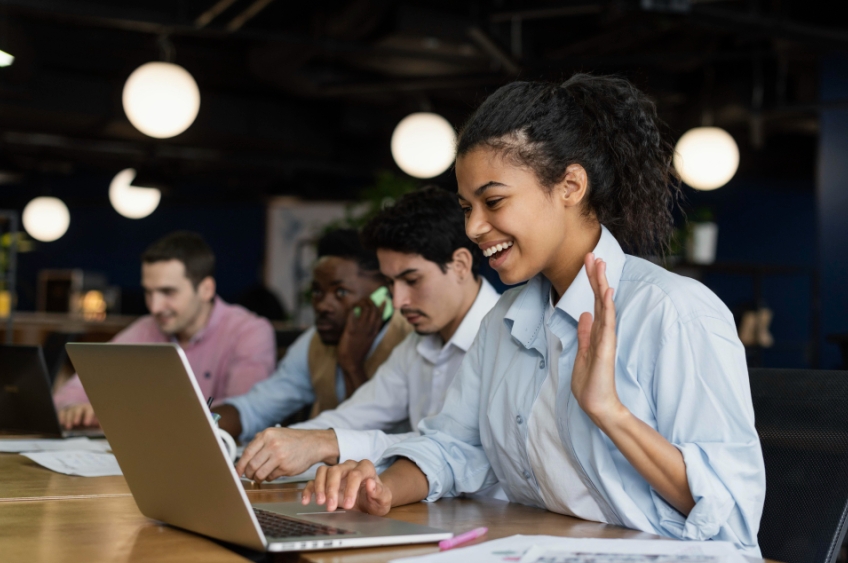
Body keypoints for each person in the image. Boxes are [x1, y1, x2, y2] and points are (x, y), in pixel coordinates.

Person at [303, 75, 766, 555]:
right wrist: (380, 487)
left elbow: (730, 514)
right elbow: (454, 444)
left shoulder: (675, 313)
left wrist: (609, 412)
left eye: (493, 201)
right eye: (466, 207)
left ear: (570, 186)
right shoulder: (503, 321)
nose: (474, 227)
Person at [235, 187, 500, 482]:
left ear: (460, 265)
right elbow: (355, 416)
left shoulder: (506, 339)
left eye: (412, 280)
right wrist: (273, 448)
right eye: (390, 283)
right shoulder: (416, 344)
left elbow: (455, 447)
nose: (398, 301)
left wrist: (325, 443)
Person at [54, 231, 276, 429]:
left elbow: (243, 413)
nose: (155, 307)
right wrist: (73, 407)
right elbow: (70, 393)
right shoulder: (146, 328)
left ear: (206, 289)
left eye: (168, 292)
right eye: (148, 292)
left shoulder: (249, 332)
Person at [214, 229, 412, 441]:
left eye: (341, 292)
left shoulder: (408, 338)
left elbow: (368, 431)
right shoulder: (314, 341)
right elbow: (255, 407)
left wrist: (351, 364)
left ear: (383, 295)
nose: (323, 306)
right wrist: (206, 424)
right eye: (317, 292)